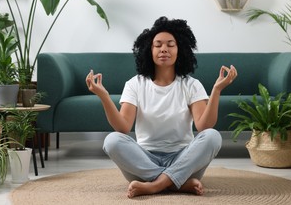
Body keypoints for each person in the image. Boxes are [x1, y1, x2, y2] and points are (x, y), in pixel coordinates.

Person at [86, 16, 238, 198]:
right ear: (149, 50)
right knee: (112, 141)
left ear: (179, 49)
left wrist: (216, 90)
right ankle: (176, 184)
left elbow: (204, 126)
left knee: (213, 136)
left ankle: (155, 185)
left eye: (170, 44)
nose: (163, 49)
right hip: (143, 161)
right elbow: (123, 128)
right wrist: (103, 96)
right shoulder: (135, 84)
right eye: (158, 45)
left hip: (183, 159)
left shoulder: (191, 84)